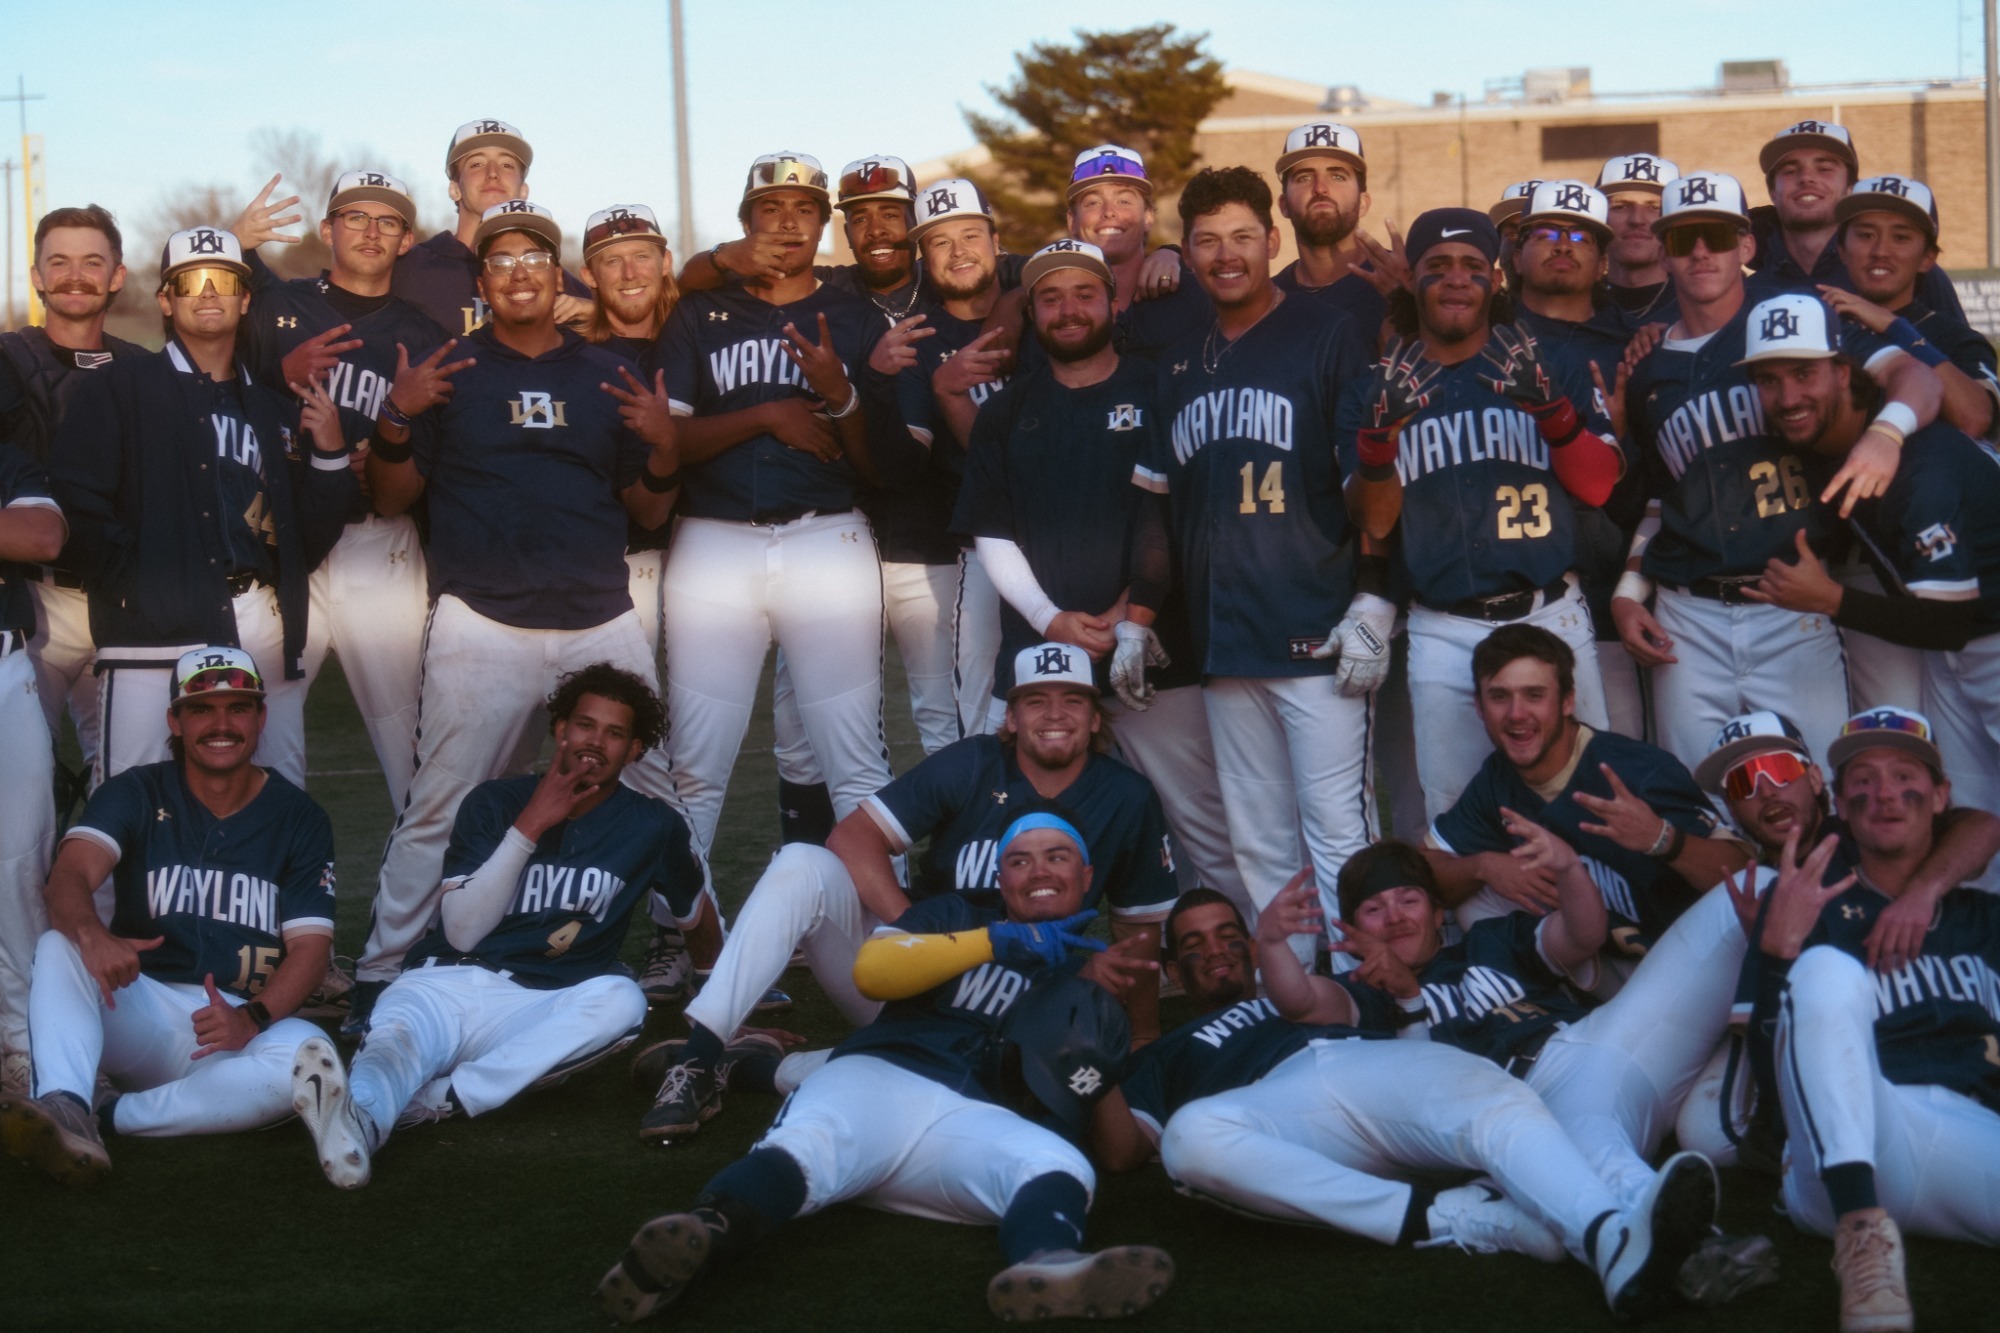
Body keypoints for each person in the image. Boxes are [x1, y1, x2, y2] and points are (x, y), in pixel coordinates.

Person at [598, 814, 1174, 1325]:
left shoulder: (1098, 972)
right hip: (887, 1076)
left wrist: (1088, 1021)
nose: (1038, 870)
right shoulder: (956, 914)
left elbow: (1094, 1118)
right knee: (808, 1144)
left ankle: (1049, 1262)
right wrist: (995, 941)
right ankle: (701, 1237)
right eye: (1019, 861)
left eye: (1057, 857)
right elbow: (875, 972)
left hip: (978, 1124)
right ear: (1002, 881)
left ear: (1086, 874)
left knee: (1059, 1163)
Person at [1094, 883, 1724, 1319]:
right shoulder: (1165, 1052)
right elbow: (1124, 1153)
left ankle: (1610, 1238)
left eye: (1230, 935)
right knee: (1189, 1138)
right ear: (1173, 970)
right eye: (1195, 943)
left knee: (1482, 1094)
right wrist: (1084, 1057)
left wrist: (1278, 947)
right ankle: (1456, 1217)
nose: (1216, 949)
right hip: (1273, 1110)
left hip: (1358, 1062)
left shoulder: (1318, 988)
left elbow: (1395, 1020)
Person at [355, 199, 684, 1032]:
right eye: (501, 262)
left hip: (598, 617)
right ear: (482, 280)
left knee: (657, 790)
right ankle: (380, 974)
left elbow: (648, 510)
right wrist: (398, 414)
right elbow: (392, 495)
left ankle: (696, 952)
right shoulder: (448, 368)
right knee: (442, 800)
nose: (519, 274)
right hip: (483, 620)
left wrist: (663, 444)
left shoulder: (605, 372)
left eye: (534, 259)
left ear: (556, 271)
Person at [637, 642, 1175, 1139]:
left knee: (1000, 1084)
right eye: (1036, 701)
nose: (1054, 715)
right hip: (915, 974)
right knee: (801, 861)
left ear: (1095, 715)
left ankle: (754, 1070)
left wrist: (1145, 1039)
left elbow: (1139, 925)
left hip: (1020, 999)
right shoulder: (974, 762)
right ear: (1011, 716)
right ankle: (700, 1059)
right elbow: (853, 838)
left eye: (1072, 701)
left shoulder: (1125, 795)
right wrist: (915, 934)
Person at [291, 665, 704, 1189]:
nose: (594, 742)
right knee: (395, 1045)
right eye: (584, 724)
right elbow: (463, 931)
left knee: (623, 1000)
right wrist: (532, 822)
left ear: (636, 750)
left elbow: (696, 913)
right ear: (560, 730)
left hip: (537, 1006)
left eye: (614, 733)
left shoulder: (652, 824)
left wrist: (720, 1010)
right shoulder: (494, 802)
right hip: (442, 983)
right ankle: (361, 1127)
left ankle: (430, 1103)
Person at [1327, 840, 1779, 1308]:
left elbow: (1582, 934)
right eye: (1373, 909)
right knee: (1589, 1134)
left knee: (1753, 889)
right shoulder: (1361, 1002)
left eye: (1409, 899)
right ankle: (1699, 1249)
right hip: (1528, 1104)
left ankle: (1839, 1036)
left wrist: (1567, 868)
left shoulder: (1489, 940)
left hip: (1600, 1041)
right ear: (1351, 930)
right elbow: (1411, 1095)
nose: (1396, 916)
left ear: (1439, 911)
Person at [952, 238, 1246, 921]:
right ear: (1031, 313)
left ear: (1113, 300)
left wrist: (1132, 615)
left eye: (1083, 293)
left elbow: (1187, 508)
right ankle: (1038, 977)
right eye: (1049, 298)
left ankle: (1230, 963)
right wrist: (1050, 617)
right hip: (1040, 657)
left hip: (1156, 648)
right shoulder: (1006, 410)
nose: (1068, 310)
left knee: (1201, 820)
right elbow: (991, 532)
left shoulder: (1163, 384)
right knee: (1025, 829)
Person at [1610, 172, 1942, 772]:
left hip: (1794, 602)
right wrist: (1630, 591)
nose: (1702, 252)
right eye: (1684, 239)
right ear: (1664, 253)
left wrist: (1886, 436)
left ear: (1747, 245)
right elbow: (1662, 499)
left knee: (1820, 784)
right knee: (1700, 793)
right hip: (1689, 615)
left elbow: (1919, 380)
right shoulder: (1648, 366)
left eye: (1717, 234)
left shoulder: (1794, 322)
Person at [1128, 166, 1376, 957]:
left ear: (1272, 241)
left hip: (1317, 632)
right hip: (1224, 644)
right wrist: (1137, 619)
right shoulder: (1176, 360)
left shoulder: (1326, 332)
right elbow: (1158, 510)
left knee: (1339, 834)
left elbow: (1367, 490)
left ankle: (1364, 996)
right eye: (1208, 241)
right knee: (1260, 843)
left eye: (1243, 237)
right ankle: (1292, 994)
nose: (1226, 255)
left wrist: (1375, 597)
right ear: (1188, 254)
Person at [0, 648, 336, 1185]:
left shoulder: (299, 816)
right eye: (202, 710)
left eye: (238, 708)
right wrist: (93, 936)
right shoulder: (137, 790)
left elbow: (311, 950)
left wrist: (252, 1019)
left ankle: (112, 1115)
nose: (221, 725)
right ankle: (65, 1101)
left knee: (308, 1057)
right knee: (58, 948)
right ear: (175, 721)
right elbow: (68, 876)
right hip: (138, 1001)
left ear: (260, 717)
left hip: (233, 1020)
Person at [652, 152, 903, 860]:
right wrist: (765, 415)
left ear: (825, 224)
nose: (788, 223)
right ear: (744, 224)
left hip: (827, 537)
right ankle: (684, 934)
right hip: (713, 542)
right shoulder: (700, 311)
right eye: (771, 208)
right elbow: (667, 438)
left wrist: (842, 394)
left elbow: (873, 461)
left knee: (855, 763)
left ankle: (890, 934)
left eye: (804, 209)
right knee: (695, 766)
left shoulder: (854, 312)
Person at [50, 226, 358, 789]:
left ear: (245, 298)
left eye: (225, 280)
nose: (209, 292)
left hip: (257, 624)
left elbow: (303, 542)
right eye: (191, 281)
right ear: (166, 299)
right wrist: (136, 586)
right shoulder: (117, 386)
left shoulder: (271, 408)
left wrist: (331, 456)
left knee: (276, 793)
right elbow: (77, 506)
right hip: (152, 626)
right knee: (130, 801)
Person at [1344, 207, 1623, 820]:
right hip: (1444, 626)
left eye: (1473, 266)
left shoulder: (1547, 363)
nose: (1455, 280)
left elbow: (1600, 487)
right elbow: (1376, 521)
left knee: (1591, 801)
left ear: (1495, 280)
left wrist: (1553, 413)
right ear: (1409, 281)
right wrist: (1377, 444)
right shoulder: (1384, 383)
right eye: (1437, 267)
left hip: (1551, 612)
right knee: (1459, 811)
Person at [1742, 708, 2000, 1332]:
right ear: (1841, 801)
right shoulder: (1806, 900)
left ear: (1941, 796)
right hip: (1848, 1141)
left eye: (1904, 774)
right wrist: (1777, 956)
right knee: (1828, 971)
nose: (1884, 793)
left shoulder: (1984, 919)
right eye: (1863, 777)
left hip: (1970, 1136)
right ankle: (1861, 1237)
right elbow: (1770, 1074)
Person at [1732, 290, 2000, 867]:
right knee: (1972, 817)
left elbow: (1950, 622)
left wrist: (1832, 600)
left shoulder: (1914, 473)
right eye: (1769, 380)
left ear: (1842, 370)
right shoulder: (1844, 433)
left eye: (1803, 373)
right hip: (1968, 645)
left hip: (1980, 636)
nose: (1787, 396)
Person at [1673, 708, 2000, 1165]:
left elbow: (1981, 826)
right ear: (1730, 807)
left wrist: (1922, 892)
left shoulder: (1868, 826)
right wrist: (1770, 950)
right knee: (1709, 1135)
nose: (1765, 789)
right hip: (1828, 1061)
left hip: (1917, 1059)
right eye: (1743, 782)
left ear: (1815, 780)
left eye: (1780, 769)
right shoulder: (1755, 877)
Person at [241, 170, 447, 813]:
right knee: (262, 736)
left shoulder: (425, 335)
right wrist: (278, 374)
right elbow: (205, 389)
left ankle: (433, 906)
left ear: (407, 241)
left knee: (409, 740)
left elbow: (423, 469)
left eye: (387, 220)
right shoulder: (278, 305)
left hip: (373, 545)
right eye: (354, 216)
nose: (370, 230)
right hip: (283, 540)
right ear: (327, 229)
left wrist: (388, 452)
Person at [1423, 624, 1749, 956]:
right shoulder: (1497, 777)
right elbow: (1423, 870)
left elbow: (1743, 873)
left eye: (1534, 695)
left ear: (1567, 701)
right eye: (1499, 696)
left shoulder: (1636, 770)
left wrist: (1661, 838)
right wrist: (1482, 865)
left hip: (1687, 954)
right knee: (1475, 890)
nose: (1516, 714)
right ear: (1479, 706)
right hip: (1599, 961)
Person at [575, 202, 694, 993]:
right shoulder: (570, 352)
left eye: (641, 253)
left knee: (685, 755)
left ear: (663, 260)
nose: (628, 270)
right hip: (610, 564)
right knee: (621, 750)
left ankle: (674, 929)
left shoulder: (695, 337)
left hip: (700, 556)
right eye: (611, 256)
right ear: (589, 271)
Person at [1509, 180, 1653, 742]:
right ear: (1517, 253)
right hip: (1502, 582)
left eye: (1581, 237)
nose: (1563, 245)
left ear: (1602, 261)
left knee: (1614, 762)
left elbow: (1652, 486)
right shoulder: (1486, 335)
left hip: (1602, 590)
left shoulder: (1636, 345)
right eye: (1546, 233)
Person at [3, 205, 145, 771]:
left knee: (126, 781)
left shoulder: (145, 369)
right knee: (24, 782)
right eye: (58, 262)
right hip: (33, 600)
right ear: (36, 276)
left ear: (117, 275)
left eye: (92, 261)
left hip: (124, 599)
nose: (75, 274)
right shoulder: (9, 361)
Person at [1821, 175, 1999, 442]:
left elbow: (1974, 419)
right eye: (1866, 235)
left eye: (1901, 237)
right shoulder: (1818, 327)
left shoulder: (1956, 338)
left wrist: (1894, 327)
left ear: (1927, 258)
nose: (1881, 250)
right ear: (1843, 250)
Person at [390, 119, 589, 336]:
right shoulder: (408, 268)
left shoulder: (551, 277)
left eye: (507, 165)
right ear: (455, 189)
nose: (493, 173)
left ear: (523, 191)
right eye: (476, 164)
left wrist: (597, 317)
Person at [0, 443, 66, 1092]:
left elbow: (42, 534)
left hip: (2, 667)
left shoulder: (8, 458)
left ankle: (26, 1045)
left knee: (18, 866)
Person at [1270, 121, 1388, 339]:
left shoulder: (1399, 280)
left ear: (1363, 203)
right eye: (1304, 177)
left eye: (1337, 176)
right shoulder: (1269, 301)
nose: (1320, 188)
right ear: (1283, 204)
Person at [1595, 154, 1680, 323]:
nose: (1637, 220)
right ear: (1600, 218)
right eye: (1621, 206)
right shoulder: (1577, 301)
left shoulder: (1697, 301)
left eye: (1655, 207)